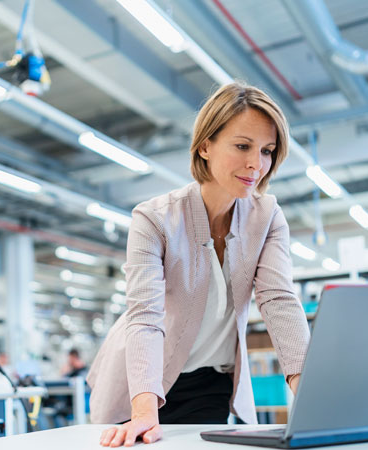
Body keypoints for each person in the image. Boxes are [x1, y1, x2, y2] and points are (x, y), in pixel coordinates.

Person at [86, 82, 311, 447]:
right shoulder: (154, 219)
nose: (257, 163)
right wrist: (144, 411)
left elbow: (279, 301)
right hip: (141, 384)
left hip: (209, 381)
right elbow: (145, 315)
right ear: (205, 145)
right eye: (242, 146)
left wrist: (310, 395)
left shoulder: (267, 216)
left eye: (267, 150)